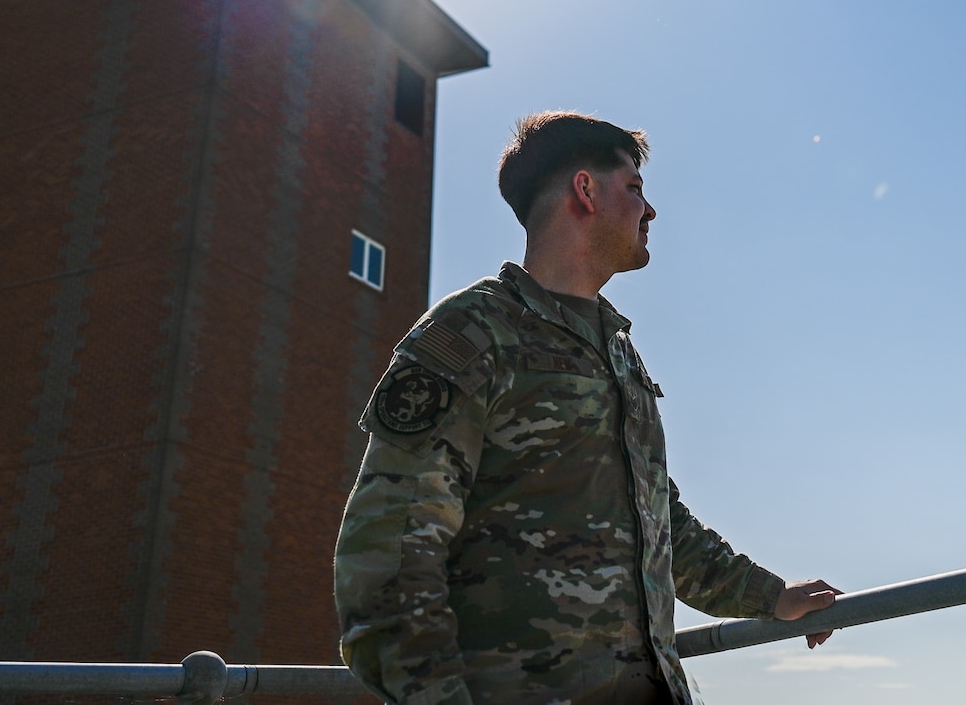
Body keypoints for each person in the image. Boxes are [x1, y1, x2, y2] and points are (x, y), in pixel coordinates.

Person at [335, 112, 839, 705]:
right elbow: (387, 561)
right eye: (635, 189)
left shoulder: (619, 353)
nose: (650, 211)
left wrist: (772, 596)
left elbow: (662, 526)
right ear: (585, 190)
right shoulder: (472, 334)